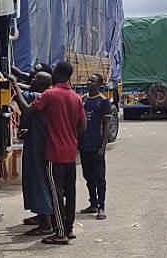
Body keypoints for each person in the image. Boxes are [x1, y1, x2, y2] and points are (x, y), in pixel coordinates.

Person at [11, 61, 86, 245]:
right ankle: (68, 229)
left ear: (56, 74)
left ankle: (59, 233)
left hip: (54, 153)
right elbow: (82, 125)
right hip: (70, 152)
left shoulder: (50, 95)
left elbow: (27, 110)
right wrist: (69, 135)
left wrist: (15, 87)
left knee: (56, 193)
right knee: (71, 192)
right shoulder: (76, 97)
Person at [14, 71, 55, 235]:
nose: (32, 79)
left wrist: (14, 85)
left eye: (36, 79)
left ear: (43, 84)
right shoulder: (42, 93)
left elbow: (25, 105)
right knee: (34, 179)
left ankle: (46, 223)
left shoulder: (40, 96)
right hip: (35, 140)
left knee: (39, 180)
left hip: (40, 145)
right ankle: (41, 215)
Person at [79, 74, 112, 220]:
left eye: (92, 81)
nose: (89, 83)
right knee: (88, 176)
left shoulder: (103, 101)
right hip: (84, 145)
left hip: (97, 145)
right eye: (88, 80)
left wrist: (103, 146)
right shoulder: (83, 100)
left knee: (100, 177)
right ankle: (92, 203)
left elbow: (106, 125)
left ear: (99, 84)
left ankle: (101, 206)